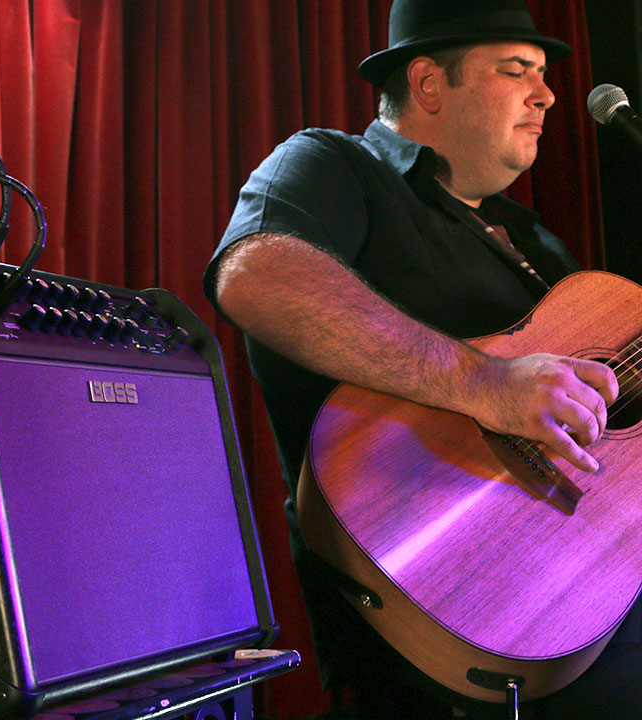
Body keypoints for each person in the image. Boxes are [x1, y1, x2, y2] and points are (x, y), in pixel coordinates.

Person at [204, 1, 642, 718]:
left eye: (544, 76)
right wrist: (486, 383)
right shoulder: (336, 165)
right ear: (430, 83)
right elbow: (256, 277)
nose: (549, 94)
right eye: (516, 70)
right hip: (454, 605)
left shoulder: (535, 243)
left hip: (594, 586)